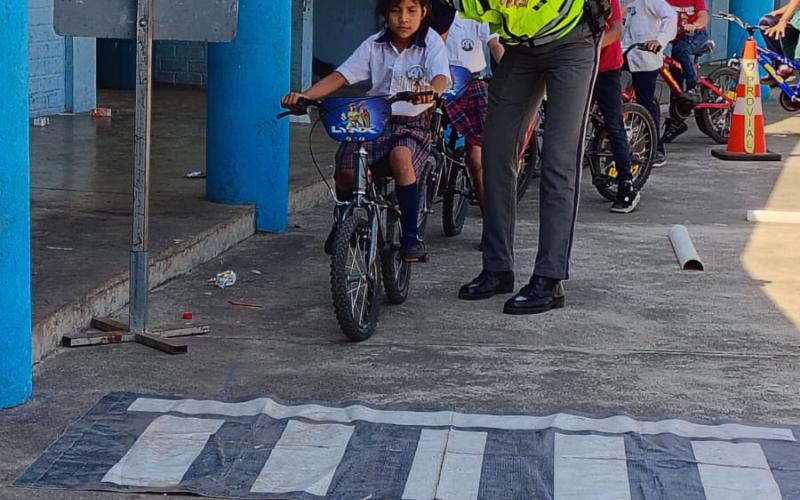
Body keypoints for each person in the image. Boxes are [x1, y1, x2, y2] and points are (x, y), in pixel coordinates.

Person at [441, 0, 606, 315]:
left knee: (559, 161)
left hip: (572, 42)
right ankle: (497, 267)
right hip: (521, 50)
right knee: (495, 151)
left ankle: (550, 277)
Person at [282, 0, 450, 262]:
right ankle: (344, 220)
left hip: (412, 124)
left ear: (424, 12)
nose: (403, 18)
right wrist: (305, 96)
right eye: (395, 10)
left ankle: (411, 236)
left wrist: (432, 90)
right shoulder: (374, 44)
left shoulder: (431, 42)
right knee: (347, 171)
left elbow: (441, 76)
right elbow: (341, 76)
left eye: (411, 11)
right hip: (374, 122)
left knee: (401, 158)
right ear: (385, 13)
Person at [439, 12, 505, 205]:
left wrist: (513, 73)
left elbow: (495, 44)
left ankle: (487, 207)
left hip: (471, 83)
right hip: (438, 84)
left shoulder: (476, 12)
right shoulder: (435, 13)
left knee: (477, 152)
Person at [596, 0, 641, 213]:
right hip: (577, 68)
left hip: (606, 68)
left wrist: (589, 47)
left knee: (614, 124)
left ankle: (627, 184)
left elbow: (616, 31)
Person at [622, 0, 677, 168]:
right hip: (625, 53)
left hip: (645, 58)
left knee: (645, 102)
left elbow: (671, 16)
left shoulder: (651, 1)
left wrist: (659, 40)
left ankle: (656, 150)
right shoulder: (630, 4)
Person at [666, 0, 709, 99]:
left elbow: (703, 16)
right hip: (678, 36)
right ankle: (677, 106)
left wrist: (695, 25)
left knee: (681, 50)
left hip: (696, 33)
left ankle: (693, 86)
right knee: (675, 71)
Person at [766, 0, 800, 70]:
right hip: (796, 18)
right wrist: (780, 12)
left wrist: (783, 20)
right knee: (767, 22)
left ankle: (793, 67)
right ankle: (780, 67)